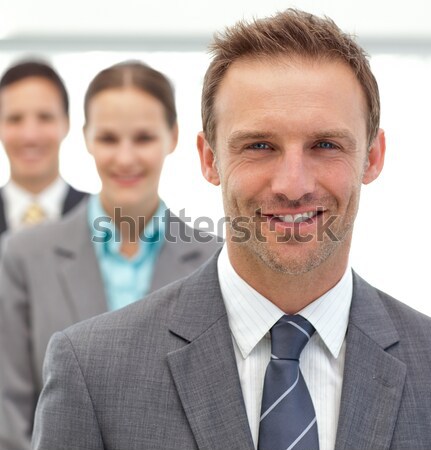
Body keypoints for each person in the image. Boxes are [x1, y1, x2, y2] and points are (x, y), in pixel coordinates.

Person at [32, 10, 431, 450]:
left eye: (325, 145)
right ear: (209, 159)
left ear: (373, 158)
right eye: (259, 146)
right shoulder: (94, 371)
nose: (293, 185)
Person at [0, 61, 220, 450]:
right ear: (85, 138)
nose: (125, 157)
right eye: (108, 138)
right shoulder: (23, 255)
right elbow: (9, 414)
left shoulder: (215, 257)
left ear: (172, 137)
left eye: (143, 138)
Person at [0, 60, 87, 235]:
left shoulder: (104, 219)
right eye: (15, 119)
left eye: (45, 117)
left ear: (66, 123)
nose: (30, 136)